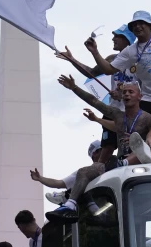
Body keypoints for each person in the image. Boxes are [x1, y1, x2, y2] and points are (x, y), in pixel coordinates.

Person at [46, 80, 151, 224]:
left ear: (140, 96)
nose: (127, 95)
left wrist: (140, 142)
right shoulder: (118, 115)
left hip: (140, 163)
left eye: (131, 92)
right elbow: (95, 102)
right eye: (124, 92)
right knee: (84, 171)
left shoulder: (149, 118)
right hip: (118, 165)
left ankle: (125, 161)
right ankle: (70, 205)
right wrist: (74, 87)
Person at [57, 25, 136, 162]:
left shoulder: (138, 59)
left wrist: (123, 95)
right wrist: (72, 59)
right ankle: (98, 173)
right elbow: (92, 73)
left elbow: (146, 88)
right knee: (107, 148)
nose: (113, 38)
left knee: (128, 149)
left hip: (132, 112)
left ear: (126, 39)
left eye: (116, 36)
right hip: (112, 110)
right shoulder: (113, 58)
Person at [31, 140, 102, 206]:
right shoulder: (84, 173)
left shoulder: (112, 164)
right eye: (103, 150)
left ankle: (67, 198)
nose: (107, 151)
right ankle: (67, 196)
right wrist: (40, 178)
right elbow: (58, 183)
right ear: (94, 153)